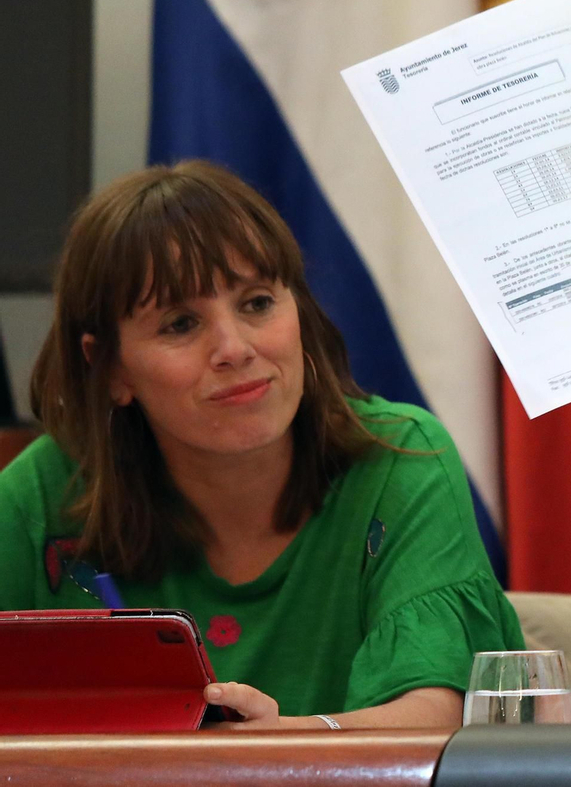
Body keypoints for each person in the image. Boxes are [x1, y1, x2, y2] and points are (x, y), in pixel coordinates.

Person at [0, 161, 524, 729]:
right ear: (109, 370)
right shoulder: (38, 498)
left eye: (256, 303)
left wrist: (284, 747)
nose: (235, 348)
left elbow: (439, 715)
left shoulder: (397, 458)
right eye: (180, 324)